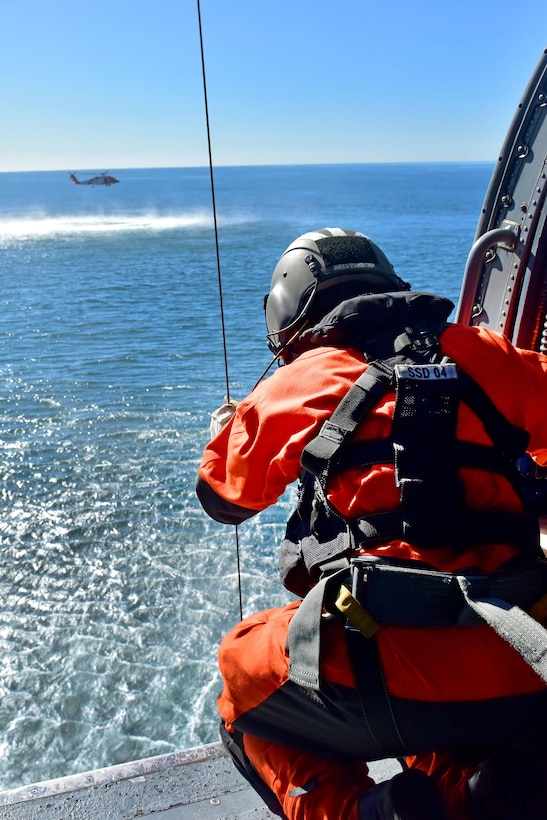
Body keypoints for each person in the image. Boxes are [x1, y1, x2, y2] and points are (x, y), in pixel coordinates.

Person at [196, 227, 547, 820]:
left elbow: (223, 496)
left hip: (376, 659)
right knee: (455, 681)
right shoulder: (487, 353)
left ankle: (361, 811)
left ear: (287, 319)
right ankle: (466, 791)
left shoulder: (297, 382)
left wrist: (228, 430)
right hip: (524, 653)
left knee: (239, 674)